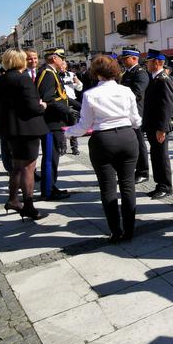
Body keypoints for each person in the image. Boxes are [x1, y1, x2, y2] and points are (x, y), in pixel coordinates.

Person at [64, 55, 141, 242]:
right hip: (127, 137)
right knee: (128, 185)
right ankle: (129, 230)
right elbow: (136, 121)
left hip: (103, 140)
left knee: (108, 188)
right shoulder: (126, 91)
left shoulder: (90, 95)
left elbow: (83, 126)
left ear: (97, 73)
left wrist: (67, 132)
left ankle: (116, 231)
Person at [0, 49, 49, 221]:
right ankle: (29, 205)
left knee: (17, 166)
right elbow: (33, 107)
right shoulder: (23, 79)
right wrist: (43, 106)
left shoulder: (0, 79)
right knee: (28, 167)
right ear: (20, 61)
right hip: (27, 129)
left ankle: (13, 199)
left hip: (10, 129)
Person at [36, 48, 72, 201]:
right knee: (51, 157)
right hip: (51, 123)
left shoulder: (51, 73)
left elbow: (62, 96)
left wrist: (79, 106)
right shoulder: (48, 74)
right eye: (61, 57)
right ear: (53, 58)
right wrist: (68, 111)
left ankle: (51, 186)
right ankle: (48, 190)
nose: (63, 61)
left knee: (53, 156)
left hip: (55, 121)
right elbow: (48, 99)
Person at [142, 49, 173, 199]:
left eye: (149, 61)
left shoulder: (164, 79)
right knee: (155, 155)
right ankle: (159, 184)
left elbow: (166, 106)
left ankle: (166, 186)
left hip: (159, 127)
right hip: (152, 125)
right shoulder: (154, 78)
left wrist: (162, 128)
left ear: (157, 62)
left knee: (161, 156)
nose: (146, 64)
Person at [119, 48, 150, 184]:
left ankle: (143, 171)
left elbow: (137, 94)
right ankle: (132, 169)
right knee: (130, 143)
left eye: (126, 58)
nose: (124, 61)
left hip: (136, 113)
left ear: (134, 58)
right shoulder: (126, 74)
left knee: (139, 143)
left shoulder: (140, 73)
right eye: (123, 59)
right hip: (126, 113)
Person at [60, 61, 83, 155]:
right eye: (60, 64)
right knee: (62, 127)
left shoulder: (71, 74)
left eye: (63, 64)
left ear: (66, 65)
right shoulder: (55, 75)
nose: (62, 66)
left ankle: (74, 148)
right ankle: (63, 148)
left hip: (72, 101)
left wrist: (77, 82)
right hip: (61, 103)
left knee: (74, 126)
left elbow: (79, 88)